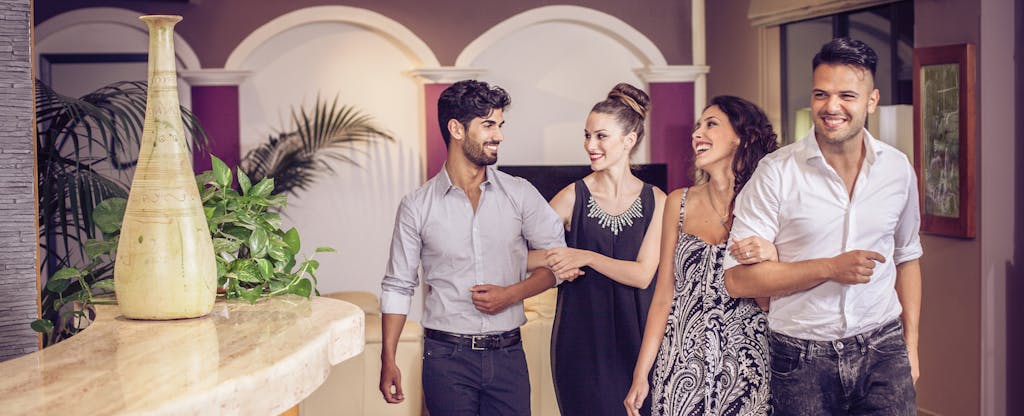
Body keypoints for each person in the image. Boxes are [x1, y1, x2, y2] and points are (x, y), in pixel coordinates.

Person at [722, 38, 922, 415]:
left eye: (847, 95)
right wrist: (830, 268)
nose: (832, 107)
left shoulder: (897, 169)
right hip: (800, 357)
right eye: (821, 94)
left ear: (872, 101)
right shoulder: (775, 174)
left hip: (884, 349)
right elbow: (738, 281)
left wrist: (910, 347)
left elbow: (908, 258)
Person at [378, 80, 570, 416]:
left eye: (500, 125)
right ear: (456, 129)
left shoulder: (520, 194)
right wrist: (388, 358)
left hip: (508, 355)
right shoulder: (417, 206)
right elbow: (398, 284)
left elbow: (559, 263)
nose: (499, 135)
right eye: (488, 125)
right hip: (445, 359)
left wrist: (512, 294)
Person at [624, 95, 779, 416]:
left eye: (711, 125)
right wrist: (642, 374)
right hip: (679, 362)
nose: (697, 134)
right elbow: (664, 296)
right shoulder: (677, 203)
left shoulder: (765, 203)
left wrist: (771, 255)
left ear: (742, 137)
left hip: (748, 364)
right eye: (697, 126)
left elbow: (770, 300)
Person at [528, 83, 667, 416]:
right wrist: (558, 259)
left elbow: (642, 275)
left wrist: (585, 256)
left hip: (639, 342)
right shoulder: (571, 197)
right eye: (587, 135)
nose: (591, 145)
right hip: (580, 341)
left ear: (629, 140)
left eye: (601, 136)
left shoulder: (658, 201)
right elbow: (522, 255)